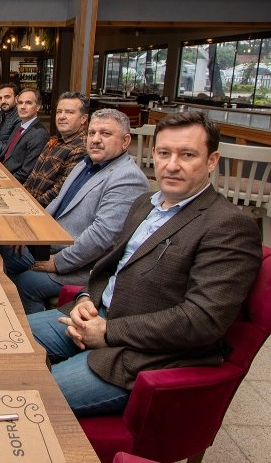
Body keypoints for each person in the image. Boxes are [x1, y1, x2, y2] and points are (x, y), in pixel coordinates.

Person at [28, 110, 262, 417]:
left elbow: (202, 320)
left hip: (144, 353)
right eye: (164, 153)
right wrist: (86, 299)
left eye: (187, 155)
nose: (172, 165)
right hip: (95, 316)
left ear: (211, 161)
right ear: (153, 155)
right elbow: (109, 267)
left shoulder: (228, 225)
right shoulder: (144, 204)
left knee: (32, 393)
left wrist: (108, 331)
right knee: (2, 340)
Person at [1, 109, 149, 314]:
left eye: (105, 134)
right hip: (50, 243)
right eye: (92, 133)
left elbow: (101, 237)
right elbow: (57, 203)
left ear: (125, 141)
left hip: (82, 264)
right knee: (4, 246)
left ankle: (32, 327)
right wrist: (30, 232)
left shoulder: (127, 178)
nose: (95, 140)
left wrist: (57, 263)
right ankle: (7, 305)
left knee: (28, 282)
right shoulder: (85, 164)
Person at [24, 92, 89, 207]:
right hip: (27, 200)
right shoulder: (55, 140)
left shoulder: (81, 149)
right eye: (59, 112)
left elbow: (60, 191)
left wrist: (30, 205)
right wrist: (21, 194)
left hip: (42, 210)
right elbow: (33, 175)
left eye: (69, 112)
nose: (61, 117)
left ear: (83, 118)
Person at [0, 88, 49, 183]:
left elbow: (25, 173)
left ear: (38, 107)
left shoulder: (39, 134)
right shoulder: (19, 126)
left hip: (11, 182)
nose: (23, 107)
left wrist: (2, 181)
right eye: (20, 103)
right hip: (1, 171)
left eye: (28, 103)